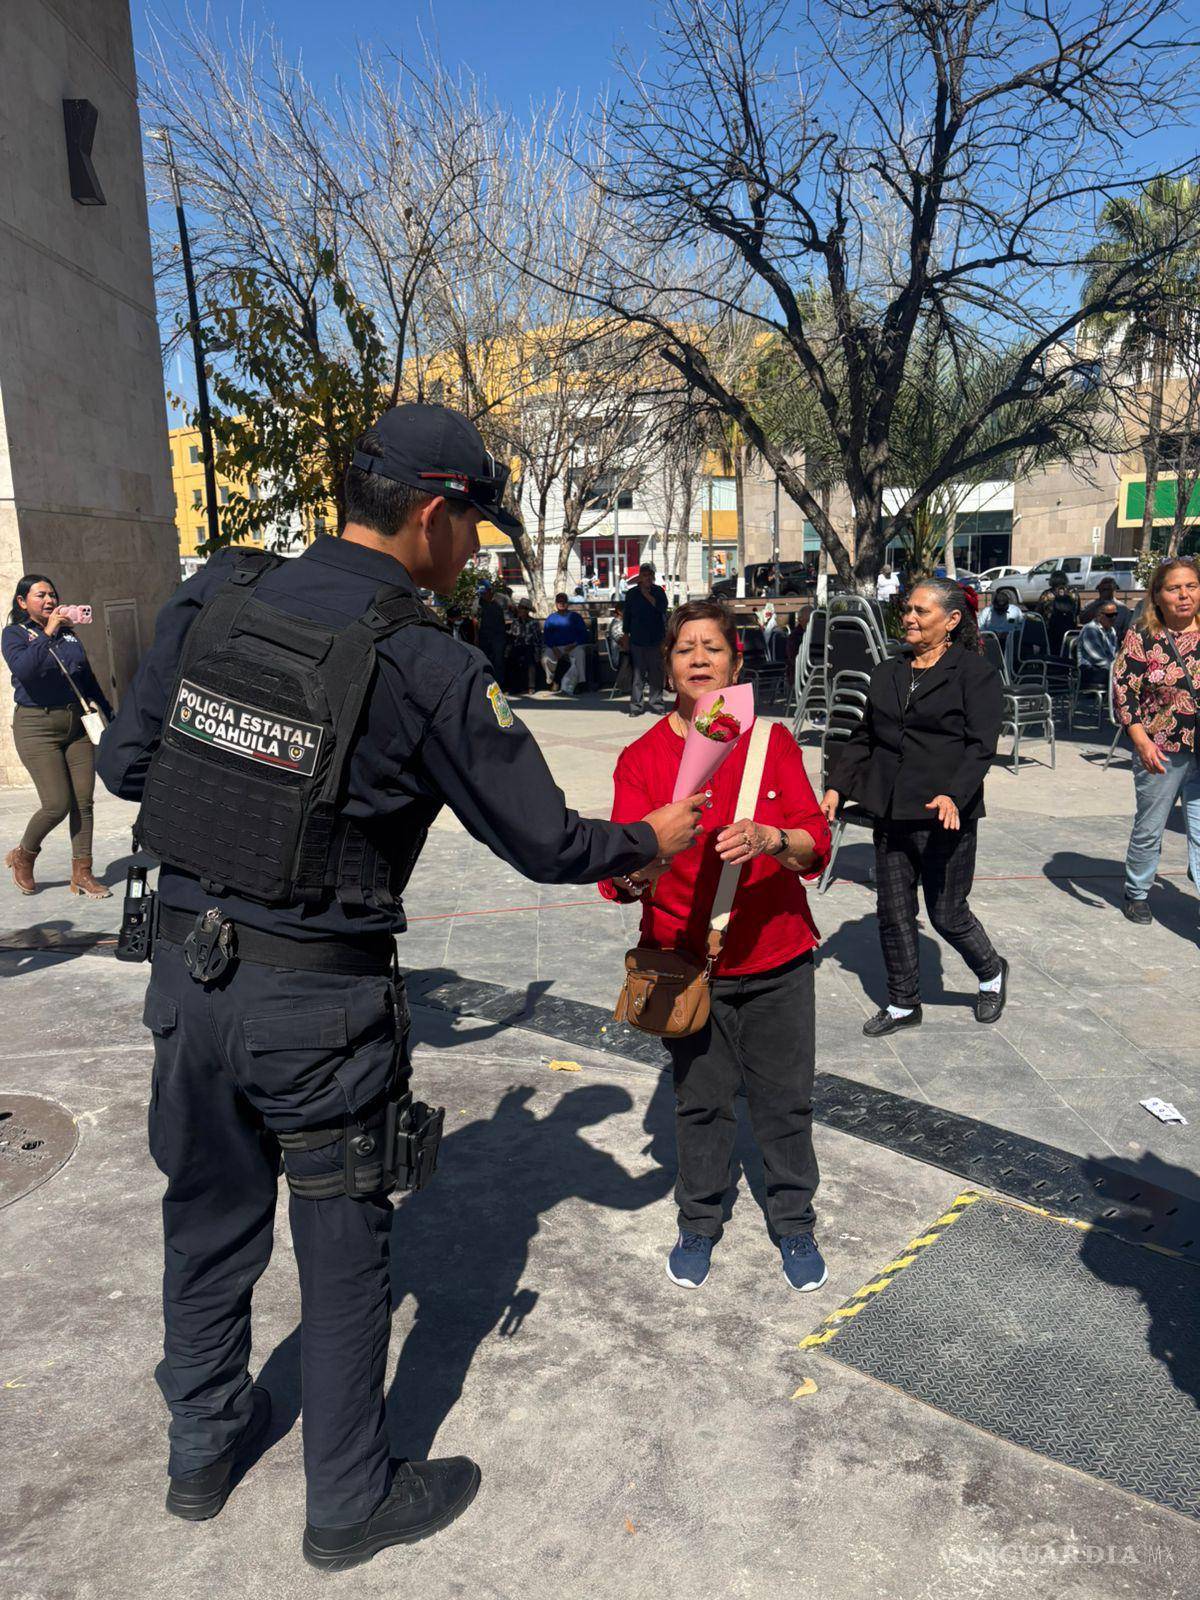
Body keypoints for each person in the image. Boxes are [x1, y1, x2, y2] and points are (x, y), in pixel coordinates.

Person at [97, 403, 706, 1571]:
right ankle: (347, 1501)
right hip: (315, 1009)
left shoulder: (214, 592)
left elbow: (129, 762)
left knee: (206, 1217)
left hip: (184, 978)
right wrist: (652, 835)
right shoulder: (426, 658)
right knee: (343, 1252)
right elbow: (543, 840)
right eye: (476, 525)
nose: (476, 548)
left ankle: (203, 1446)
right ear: (433, 512)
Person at [600, 599, 832, 1293]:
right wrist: (650, 859)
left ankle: (793, 1222)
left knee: (784, 1099)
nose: (699, 659)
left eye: (712, 648)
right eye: (683, 649)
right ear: (667, 666)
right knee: (699, 1102)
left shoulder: (771, 743)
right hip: (681, 962)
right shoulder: (642, 758)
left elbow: (814, 843)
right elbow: (619, 876)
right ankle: (699, 1221)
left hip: (775, 955)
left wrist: (769, 837)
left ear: (736, 659)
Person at [821, 578, 1007, 1035]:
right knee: (893, 911)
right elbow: (865, 734)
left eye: (922, 612)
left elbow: (981, 746)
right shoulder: (889, 671)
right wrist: (837, 787)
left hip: (946, 811)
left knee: (947, 914)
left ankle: (991, 972)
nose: (909, 618)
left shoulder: (974, 673)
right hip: (892, 809)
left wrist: (954, 794)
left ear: (951, 621)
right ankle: (904, 1003)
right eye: (908, 609)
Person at [2, 574, 113, 898]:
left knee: (84, 801)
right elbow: (25, 669)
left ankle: (83, 874)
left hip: (76, 725)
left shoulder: (69, 636)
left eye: (52, 594)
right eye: (40, 596)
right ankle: (24, 854)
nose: (49, 600)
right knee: (56, 803)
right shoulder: (14, 635)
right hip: (37, 726)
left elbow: (87, 679)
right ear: (23, 602)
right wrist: (48, 631)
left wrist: (110, 715)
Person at [1112, 556, 1200, 926]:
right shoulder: (1142, 635)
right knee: (1151, 827)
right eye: (1173, 588)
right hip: (1160, 749)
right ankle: (1137, 892)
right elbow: (1124, 692)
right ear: (1158, 595)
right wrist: (1141, 741)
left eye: (1191, 586)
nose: (1184, 595)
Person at [621, 562, 669, 716]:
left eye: (650, 575)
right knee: (638, 676)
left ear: (653, 577)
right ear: (640, 577)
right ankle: (636, 707)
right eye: (644, 575)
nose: (647, 578)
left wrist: (647, 595)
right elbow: (627, 616)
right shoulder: (632, 594)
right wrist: (626, 636)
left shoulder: (658, 592)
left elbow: (662, 609)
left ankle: (657, 704)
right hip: (637, 640)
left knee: (656, 675)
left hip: (655, 639)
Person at [541, 592, 589, 693]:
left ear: (567, 603)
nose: (561, 604)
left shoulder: (575, 617)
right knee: (545, 658)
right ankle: (552, 680)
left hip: (572, 646)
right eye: (559, 602)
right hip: (556, 647)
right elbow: (547, 636)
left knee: (580, 653)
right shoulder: (551, 618)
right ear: (556, 603)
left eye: (564, 602)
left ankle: (581, 683)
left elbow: (583, 633)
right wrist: (554, 649)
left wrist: (574, 644)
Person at [1077, 601, 1121, 693]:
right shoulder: (1091, 629)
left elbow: (1115, 653)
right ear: (1099, 615)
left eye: (1115, 614)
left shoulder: (1111, 630)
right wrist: (1117, 670)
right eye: (1110, 615)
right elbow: (1098, 658)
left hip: (1106, 668)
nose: (1114, 618)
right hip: (1090, 670)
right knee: (1123, 678)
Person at [1037, 569, 1081, 655]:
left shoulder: (1047, 595)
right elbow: (1077, 611)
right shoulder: (1073, 593)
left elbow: (1038, 612)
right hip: (1070, 630)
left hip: (1050, 631)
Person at [978, 589, 1023, 668]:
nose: (1000, 613)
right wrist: (991, 634)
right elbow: (979, 628)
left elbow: (1021, 627)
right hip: (991, 640)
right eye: (998, 610)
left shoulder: (1015, 611)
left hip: (1010, 640)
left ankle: (1012, 668)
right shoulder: (987, 611)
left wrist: (1010, 634)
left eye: (1003, 610)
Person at [508, 598, 543, 695]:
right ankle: (515, 686)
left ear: (527, 610)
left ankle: (531, 686)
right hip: (517, 645)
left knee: (530, 660)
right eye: (519, 608)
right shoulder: (515, 622)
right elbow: (512, 636)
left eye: (523, 608)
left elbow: (537, 639)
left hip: (530, 646)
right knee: (512, 659)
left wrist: (538, 652)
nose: (520, 610)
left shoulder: (533, 622)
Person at [475, 580, 507, 685]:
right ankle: (487, 684)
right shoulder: (478, 603)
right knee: (485, 661)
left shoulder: (501, 600)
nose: (483, 595)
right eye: (481, 594)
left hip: (498, 636)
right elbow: (475, 620)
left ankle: (499, 684)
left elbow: (510, 614)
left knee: (499, 661)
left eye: (485, 593)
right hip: (484, 636)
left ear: (490, 590)